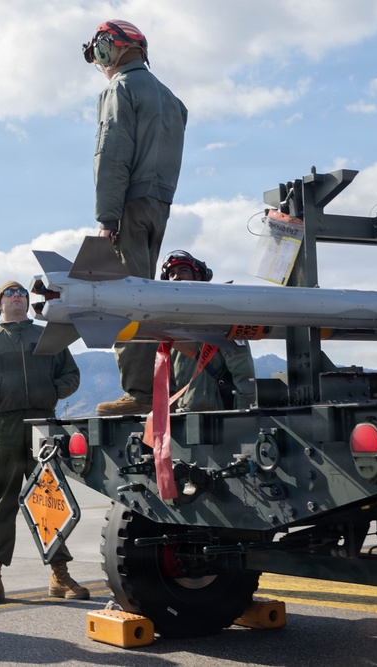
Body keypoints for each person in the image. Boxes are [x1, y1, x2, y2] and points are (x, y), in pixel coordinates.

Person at [0, 281, 88, 605]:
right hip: (4, 426)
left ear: (28, 304)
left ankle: (59, 574)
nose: (17, 297)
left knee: (47, 499)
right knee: (2, 502)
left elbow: (71, 375)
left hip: (43, 424)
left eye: (22, 294)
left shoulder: (47, 335)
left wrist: (52, 391)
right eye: (9, 293)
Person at [83, 19, 188, 416]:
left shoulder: (119, 89)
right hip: (159, 204)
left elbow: (111, 155)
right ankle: (160, 384)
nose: (101, 61)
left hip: (128, 204)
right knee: (150, 294)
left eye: (101, 52)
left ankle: (141, 391)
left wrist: (107, 218)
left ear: (119, 48)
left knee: (125, 297)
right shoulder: (171, 99)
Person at [160, 251, 257, 411]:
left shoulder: (221, 317)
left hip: (219, 416)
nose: (176, 277)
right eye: (172, 274)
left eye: (183, 270)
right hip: (187, 415)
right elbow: (170, 380)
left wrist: (243, 412)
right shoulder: (172, 326)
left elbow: (242, 369)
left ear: (198, 277)